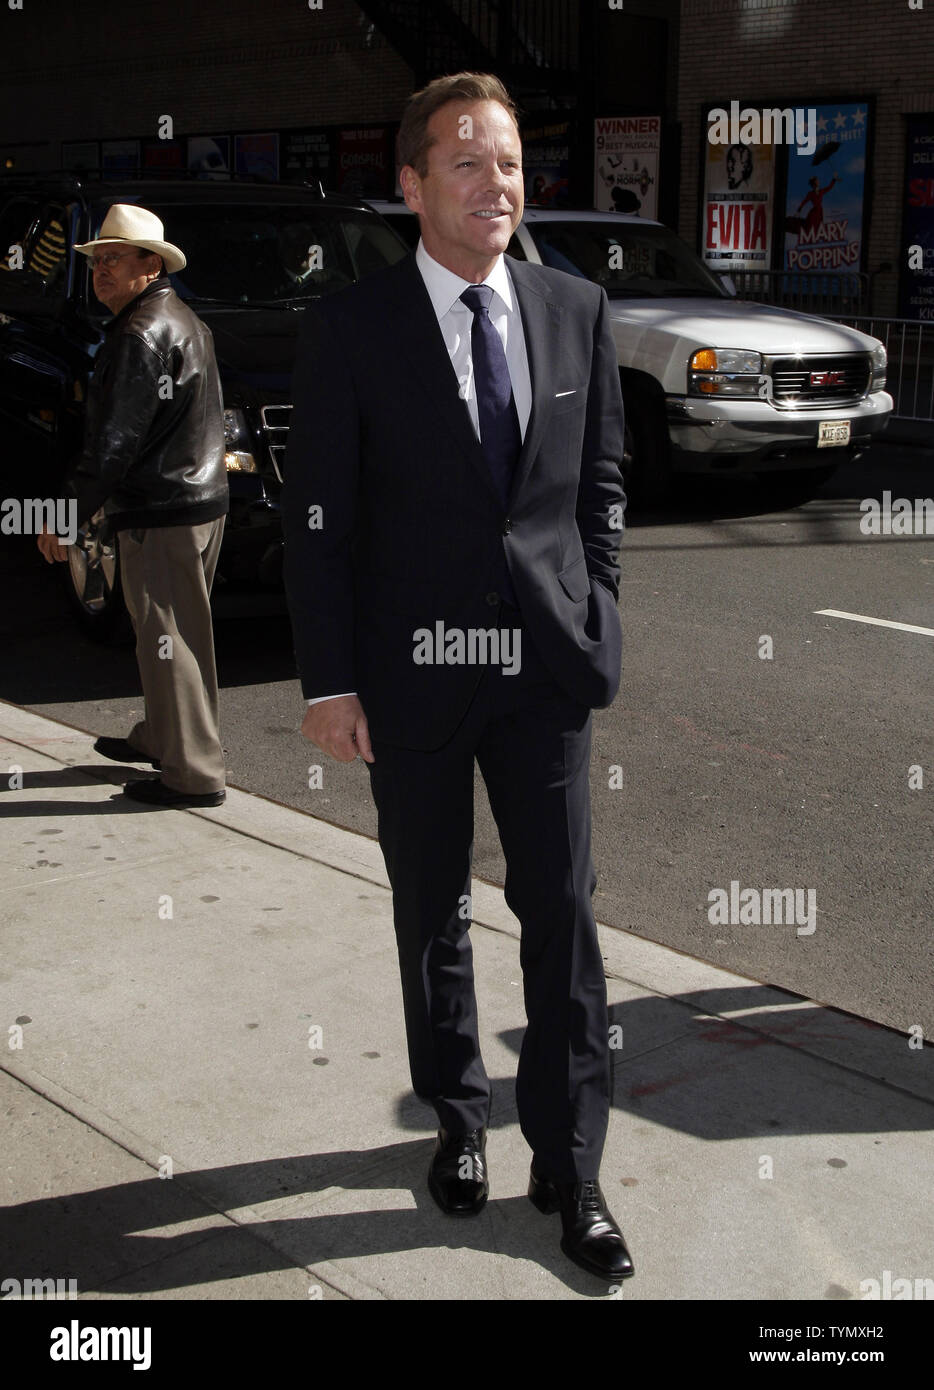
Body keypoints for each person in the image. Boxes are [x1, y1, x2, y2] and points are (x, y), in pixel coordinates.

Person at [282, 72, 633, 1282]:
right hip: (413, 676)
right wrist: (330, 680)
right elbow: (318, 520)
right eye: (470, 161)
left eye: (512, 162)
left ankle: (573, 1164)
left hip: (543, 674)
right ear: (413, 184)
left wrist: (598, 616)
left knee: (566, 921)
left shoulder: (573, 308)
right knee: (431, 912)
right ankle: (458, 1118)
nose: (500, 184)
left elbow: (597, 489)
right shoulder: (350, 328)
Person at [37, 205, 229, 808]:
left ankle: (192, 774)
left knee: (169, 639)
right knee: (172, 639)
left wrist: (64, 515)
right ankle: (164, 739)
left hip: (164, 511)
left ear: (151, 264)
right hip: (198, 503)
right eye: (97, 260)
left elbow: (112, 445)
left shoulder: (138, 334)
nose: (100, 270)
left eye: (114, 258)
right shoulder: (181, 319)